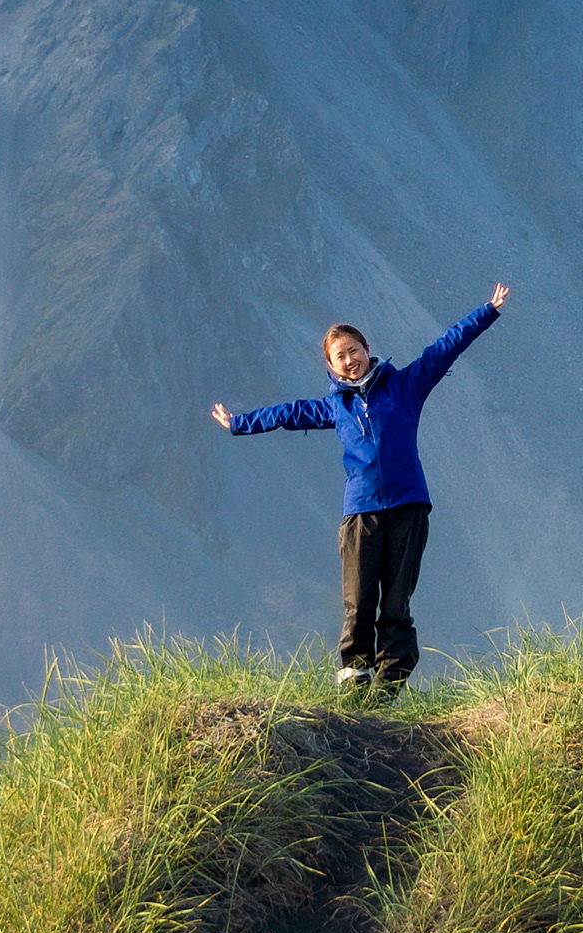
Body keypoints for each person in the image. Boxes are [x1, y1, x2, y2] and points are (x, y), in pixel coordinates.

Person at [213, 285, 511, 698]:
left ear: (367, 348)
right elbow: (286, 413)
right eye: (340, 357)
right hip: (361, 515)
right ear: (331, 367)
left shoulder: (405, 387)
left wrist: (487, 311)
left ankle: (388, 689)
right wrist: (237, 423)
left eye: (354, 350)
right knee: (359, 603)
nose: (350, 360)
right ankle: (354, 682)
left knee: (396, 605)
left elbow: (444, 349)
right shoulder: (335, 407)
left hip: (408, 507)